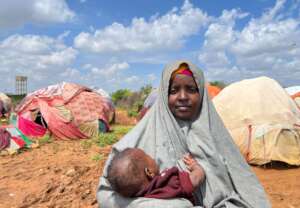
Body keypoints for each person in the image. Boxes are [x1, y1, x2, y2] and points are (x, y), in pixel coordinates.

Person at [97, 60, 271, 208]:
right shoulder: (134, 143)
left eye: (191, 89)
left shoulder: (217, 136)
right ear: (164, 95)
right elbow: (107, 196)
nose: (182, 97)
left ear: (202, 93)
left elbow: (247, 189)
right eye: (174, 91)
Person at [106, 148, 205, 204]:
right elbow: (197, 178)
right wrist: (195, 166)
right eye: (148, 156)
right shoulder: (169, 180)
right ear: (149, 172)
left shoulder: (135, 197)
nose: (152, 157)